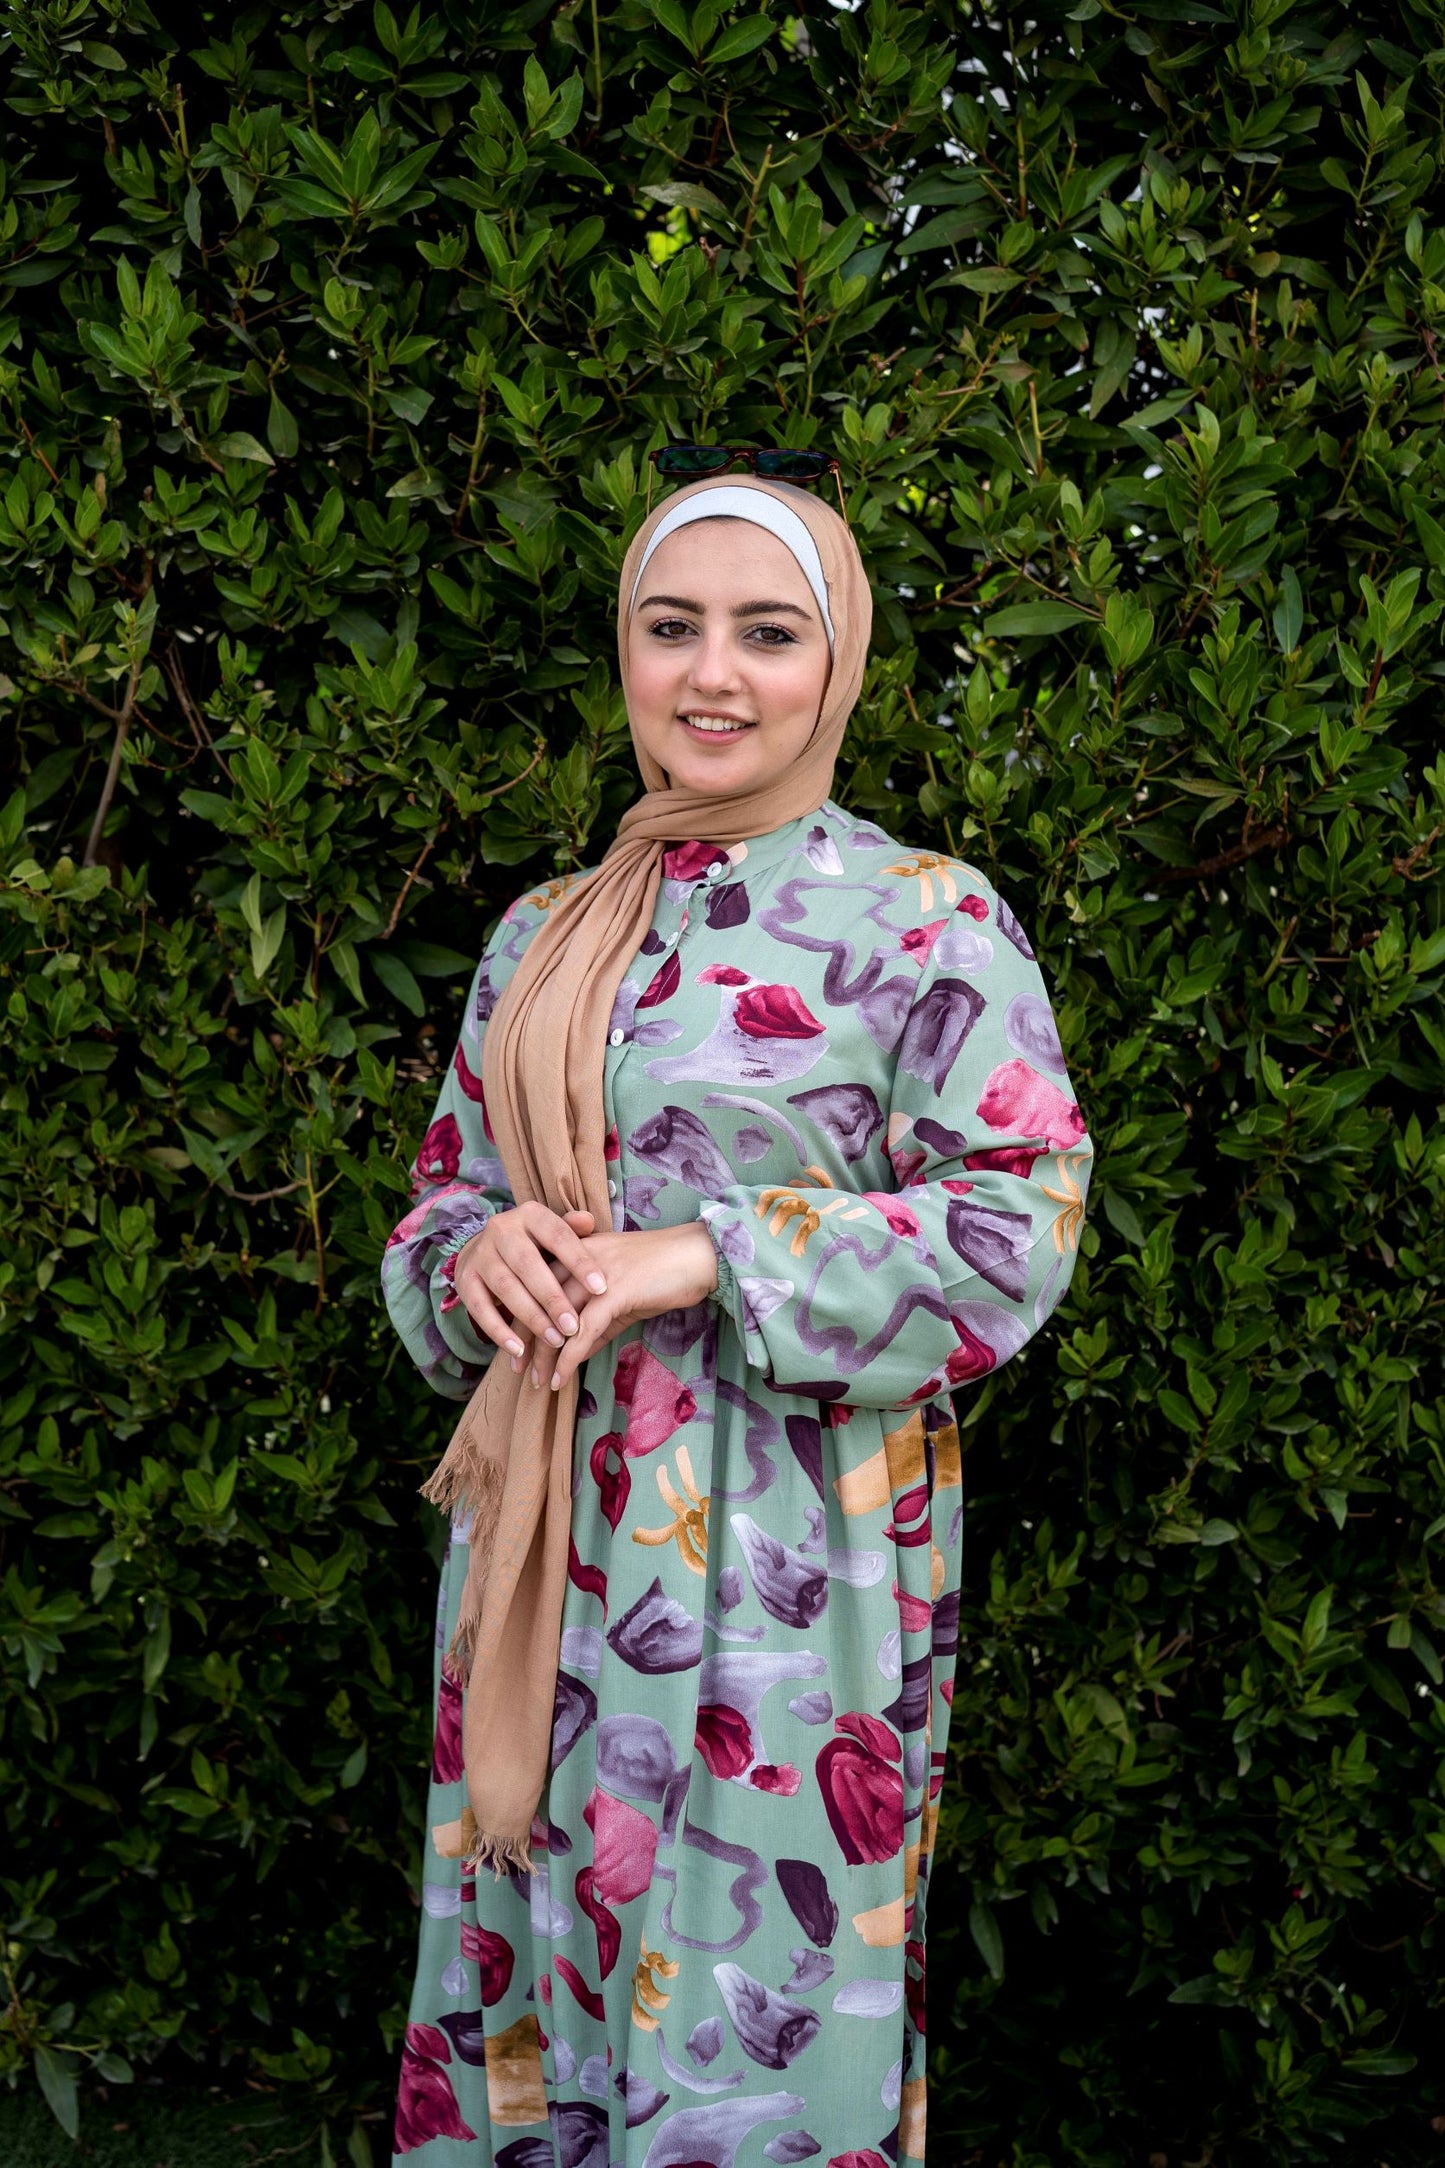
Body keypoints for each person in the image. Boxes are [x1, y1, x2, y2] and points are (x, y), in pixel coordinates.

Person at [380, 468, 1093, 2168]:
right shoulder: (543, 934)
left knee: (753, 1957)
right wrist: (471, 1263)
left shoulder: (925, 916)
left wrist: (699, 1255)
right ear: (622, 653)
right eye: (668, 628)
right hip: (546, 1546)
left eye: (765, 634)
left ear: (831, 663)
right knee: (540, 1921)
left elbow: (1019, 1221)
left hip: (796, 1550)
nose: (712, 674)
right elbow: (444, 1205)